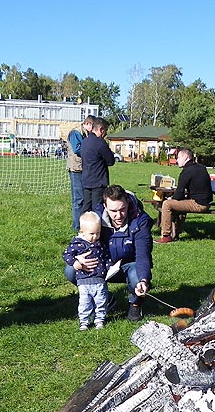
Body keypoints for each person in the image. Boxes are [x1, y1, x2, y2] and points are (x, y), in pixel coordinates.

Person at [65, 185, 153, 322]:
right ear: (105, 207)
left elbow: (143, 255)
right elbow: (81, 241)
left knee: (137, 276)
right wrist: (78, 258)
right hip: (104, 266)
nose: (118, 215)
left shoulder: (140, 221)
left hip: (129, 266)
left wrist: (143, 280)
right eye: (113, 211)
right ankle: (106, 298)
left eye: (122, 209)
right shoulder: (96, 218)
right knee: (71, 270)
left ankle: (135, 304)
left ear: (128, 203)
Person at [62, 211, 111, 330]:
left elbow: (106, 256)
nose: (95, 236)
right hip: (84, 279)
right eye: (92, 234)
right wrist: (75, 263)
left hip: (99, 278)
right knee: (85, 302)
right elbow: (66, 254)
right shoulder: (77, 243)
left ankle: (99, 319)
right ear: (82, 232)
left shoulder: (100, 244)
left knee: (101, 301)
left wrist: (109, 267)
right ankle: (84, 321)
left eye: (98, 233)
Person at [155, 148, 213, 244]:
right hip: (207, 203)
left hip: (199, 204)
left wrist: (171, 199)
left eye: (178, 157)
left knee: (166, 204)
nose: (177, 160)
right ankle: (177, 231)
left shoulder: (186, 172)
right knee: (181, 203)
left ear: (185, 157)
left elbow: (179, 194)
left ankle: (166, 236)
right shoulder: (201, 167)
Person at [80, 117, 115, 214]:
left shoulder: (85, 142)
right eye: (106, 130)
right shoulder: (100, 143)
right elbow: (111, 161)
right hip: (98, 182)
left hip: (86, 180)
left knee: (86, 207)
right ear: (101, 129)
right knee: (98, 209)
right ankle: (97, 228)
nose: (106, 134)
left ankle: (82, 226)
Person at [67, 115, 95, 231]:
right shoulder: (76, 133)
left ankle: (82, 224)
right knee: (78, 200)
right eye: (92, 127)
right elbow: (77, 149)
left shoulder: (85, 134)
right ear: (87, 124)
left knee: (82, 198)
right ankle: (77, 226)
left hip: (83, 168)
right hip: (76, 169)